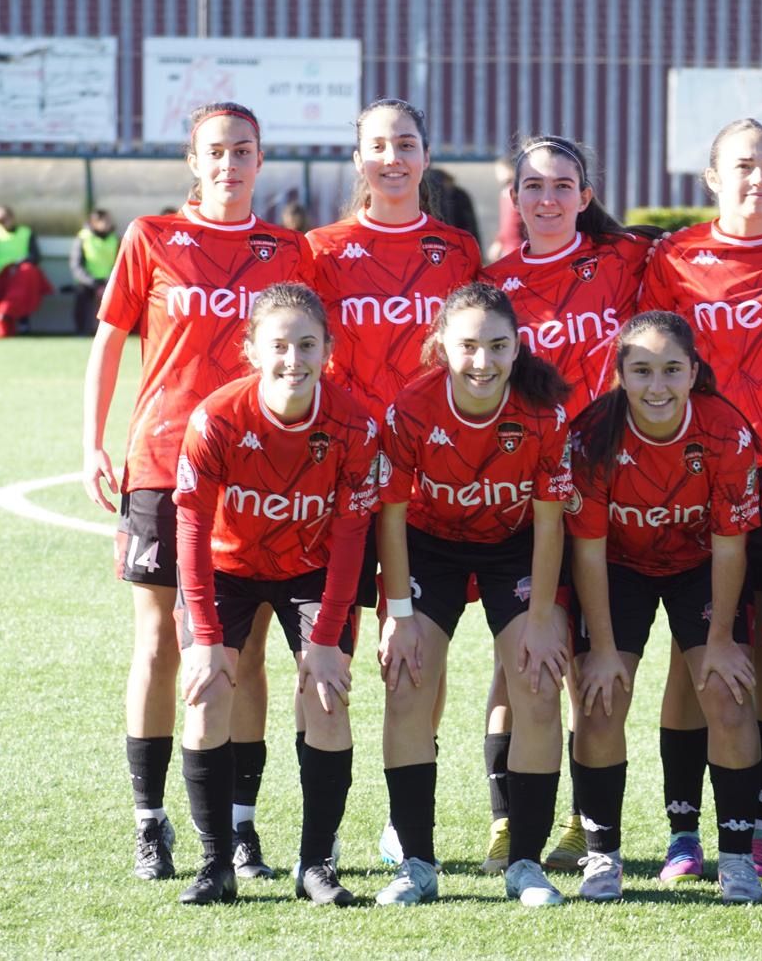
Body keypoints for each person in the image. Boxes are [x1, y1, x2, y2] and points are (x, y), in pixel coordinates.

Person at [81, 101, 311, 883]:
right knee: (161, 642)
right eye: (215, 151)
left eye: (243, 150)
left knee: (242, 653)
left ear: (260, 158)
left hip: (257, 470)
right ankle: (150, 823)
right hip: (161, 464)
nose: (229, 164)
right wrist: (92, 442)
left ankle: (240, 829)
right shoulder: (150, 238)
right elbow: (108, 342)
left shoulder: (288, 250)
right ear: (193, 160)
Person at [638, 117, 762, 883]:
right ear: (711, 177)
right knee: (693, 666)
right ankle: (684, 835)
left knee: (758, 662)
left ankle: (754, 828)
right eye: (743, 165)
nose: (758, 178)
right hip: (690, 486)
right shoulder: (674, 259)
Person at [306, 98, 481, 867]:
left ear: (425, 154)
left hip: (432, 475)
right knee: (337, 647)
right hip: (342, 476)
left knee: (418, 650)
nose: (393, 158)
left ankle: (404, 793)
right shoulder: (321, 250)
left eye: (406, 143)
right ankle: (325, 822)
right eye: (378, 146)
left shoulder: (458, 251)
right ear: (359, 160)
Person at [477, 134, 655, 874]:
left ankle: (585, 825)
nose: (546, 199)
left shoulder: (625, 261)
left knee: (588, 663)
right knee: (515, 659)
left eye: (562, 186)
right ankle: (504, 820)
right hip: (525, 492)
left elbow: (701, 252)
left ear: (586, 195)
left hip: (609, 481)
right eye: (533, 187)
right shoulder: (491, 283)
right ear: (513, 198)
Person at [169, 282, 380, 905]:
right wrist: (205, 641)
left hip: (313, 572)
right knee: (208, 693)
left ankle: (315, 865)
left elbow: (350, 539)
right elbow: (192, 529)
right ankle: (217, 865)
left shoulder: (354, 425)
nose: (294, 359)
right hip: (227, 568)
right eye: (279, 345)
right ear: (251, 351)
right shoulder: (217, 418)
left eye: (307, 345)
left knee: (327, 694)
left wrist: (325, 641)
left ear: (328, 351)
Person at [373, 282, 574, 908]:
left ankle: (525, 866)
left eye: (497, 346)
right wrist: (399, 615)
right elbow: (391, 516)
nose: (482, 362)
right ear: (441, 347)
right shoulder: (411, 408)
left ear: (518, 349)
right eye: (467, 346)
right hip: (427, 547)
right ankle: (417, 865)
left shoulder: (543, 414)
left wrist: (542, 617)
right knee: (407, 680)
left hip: (513, 546)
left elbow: (549, 519)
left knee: (537, 685)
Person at [567, 311, 762, 903]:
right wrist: (602, 650)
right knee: (600, 704)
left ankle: (735, 860)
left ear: (694, 372)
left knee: (728, 699)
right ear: (620, 374)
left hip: (700, 567)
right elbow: (590, 551)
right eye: (643, 370)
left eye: (672, 370)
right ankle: (602, 858)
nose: (658, 385)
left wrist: (724, 639)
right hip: (619, 570)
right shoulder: (592, 435)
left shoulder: (726, 432)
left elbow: (732, 545)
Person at [0, 205, 51, 338]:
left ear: (13, 218)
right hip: (3, 276)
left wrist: (20, 262)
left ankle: (15, 316)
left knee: (27, 274)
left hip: (21, 273)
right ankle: (16, 318)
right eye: (1, 219)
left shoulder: (25, 232)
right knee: (21, 284)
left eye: (6, 218)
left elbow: (36, 256)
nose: (4, 222)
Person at [70, 208, 119, 336]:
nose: (106, 224)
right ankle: (82, 331)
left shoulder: (115, 239)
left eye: (108, 220)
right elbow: (76, 265)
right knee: (82, 296)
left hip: (110, 281)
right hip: (88, 282)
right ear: (93, 223)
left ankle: (113, 332)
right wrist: (93, 282)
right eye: (102, 221)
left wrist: (108, 281)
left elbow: (120, 263)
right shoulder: (83, 237)